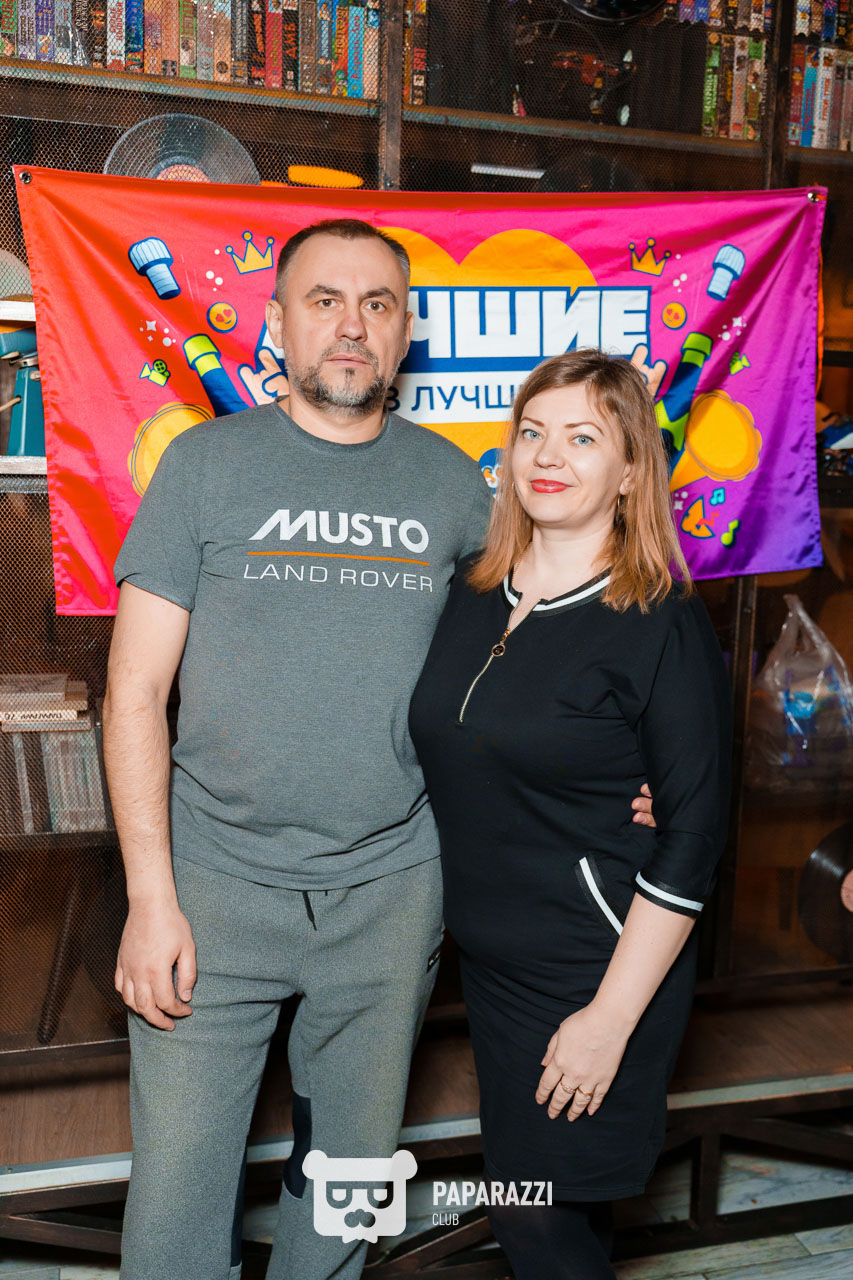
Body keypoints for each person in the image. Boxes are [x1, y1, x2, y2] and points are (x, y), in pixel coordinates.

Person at [104, 223, 655, 1280]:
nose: (350, 325)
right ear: (277, 324)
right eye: (323, 300)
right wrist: (149, 896)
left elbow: (553, 638)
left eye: (377, 304)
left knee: (346, 1180)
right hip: (210, 888)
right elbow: (132, 692)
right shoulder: (205, 465)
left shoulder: (456, 488)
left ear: (405, 334)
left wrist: (634, 767)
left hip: (392, 892)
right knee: (176, 1193)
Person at [409, 349, 731, 1279]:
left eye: (583, 437)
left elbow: (692, 838)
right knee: (558, 1214)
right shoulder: (473, 592)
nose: (547, 455)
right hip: (493, 966)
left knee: (537, 1220)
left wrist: (608, 1020)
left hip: (595, 967)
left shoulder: (659, 620)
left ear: (629, 471)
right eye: (532, 432)